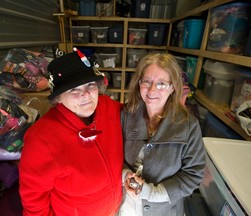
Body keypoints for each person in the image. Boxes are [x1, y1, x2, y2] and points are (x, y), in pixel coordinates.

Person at [19, 50, 123, 216]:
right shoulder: (40, 139)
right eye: (74, 89)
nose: (86, 94)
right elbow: (34, 202)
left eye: (91, 84)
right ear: (58, 98)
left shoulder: (109, 107)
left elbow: (138, 114)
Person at [119, 53, 206, 216]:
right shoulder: (125, 115)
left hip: (164, 210)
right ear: (139, 83)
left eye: (161, 83)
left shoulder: (189, 125)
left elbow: (193, 174)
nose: (152, 89)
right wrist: (125, 176)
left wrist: (152, 193)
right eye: (147, 81)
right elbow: (114, 155)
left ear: (173, 87)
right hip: (127, 206)